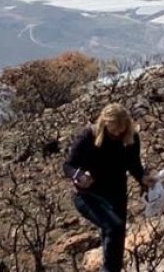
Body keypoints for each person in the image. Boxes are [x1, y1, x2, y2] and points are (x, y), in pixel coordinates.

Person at [62, 104, 155, 272]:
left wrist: (143, 178)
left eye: (121, 131)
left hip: (117, 193)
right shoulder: (88, 136)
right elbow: (68, 165)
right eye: (113, 131)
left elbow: (134, 164)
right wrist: (79, 176)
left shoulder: (131, 137)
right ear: (104, 124)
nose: (117, 135)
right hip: (88, 194)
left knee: (116, 242)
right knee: (113, 227)